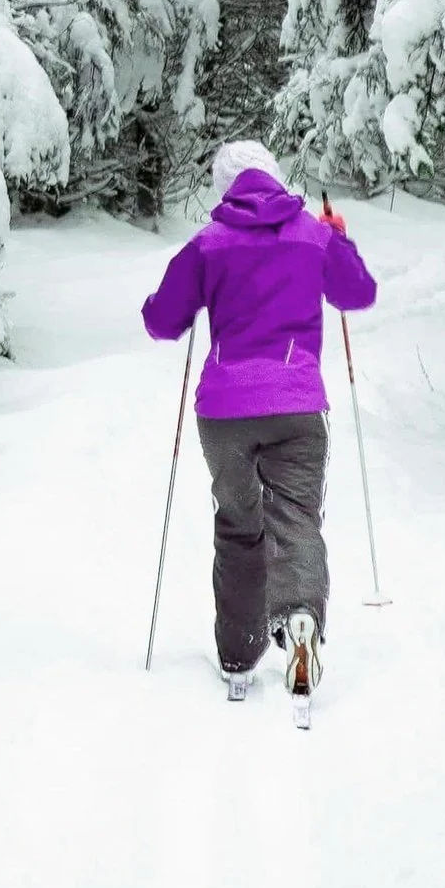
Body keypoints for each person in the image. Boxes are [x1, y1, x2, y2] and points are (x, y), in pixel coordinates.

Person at [141, 140, 377, 702]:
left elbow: (161, 321)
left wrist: (189, 295)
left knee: (239, 525)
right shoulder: (312, 234)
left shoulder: (208, 243)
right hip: (297, 405)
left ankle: (238, 656)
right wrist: (339, 238)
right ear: (274, 177)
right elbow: (358, 293)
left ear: (226, 188)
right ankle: (299, 620)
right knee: (296, 517)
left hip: (224, 413)